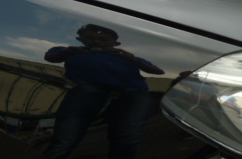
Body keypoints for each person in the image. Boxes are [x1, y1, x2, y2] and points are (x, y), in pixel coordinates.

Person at [44, 24, 164, 159]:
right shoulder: (69, 50)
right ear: (80, 39)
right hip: (86, 89)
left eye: (103, 39)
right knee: (66, 136)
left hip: (132, 93)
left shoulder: (126, 56)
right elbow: (50, 58)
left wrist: (134, 60)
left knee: (128, 135)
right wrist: (67, 52)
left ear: (115, 43)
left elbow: (158, 71)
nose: (96, 41)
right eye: (90, 38)